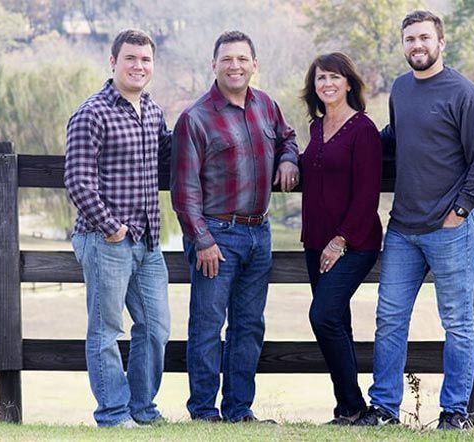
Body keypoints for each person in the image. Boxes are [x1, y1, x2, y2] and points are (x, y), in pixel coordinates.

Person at [354, 10, 474, 429]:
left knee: (456, 321)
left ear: (440, 42)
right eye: (410, 40)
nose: (416, 46)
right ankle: (384, 408)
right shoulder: (401, 90)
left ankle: (454, 413)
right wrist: (349, 141)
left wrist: (460, 211)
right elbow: (394, 140)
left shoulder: (465, 94)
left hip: (450, 227)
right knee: (390, 316)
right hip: (403, 228)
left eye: (424, 38)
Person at [170, 30, 299, 423]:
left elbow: (288, 137)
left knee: (249, 326)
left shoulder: (267, 106)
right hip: (217, 235)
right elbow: (184, 189)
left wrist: (289, 159)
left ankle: (240, 409)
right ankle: (204, 412)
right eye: (227, 59)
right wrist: (203, 240)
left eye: (243, 59)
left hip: (259, 233)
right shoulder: (195, 118)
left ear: (254, 65)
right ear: (214, 65)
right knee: (208, 326)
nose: (235, 66)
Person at [64, 29, 171, 428]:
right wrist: (112, 228)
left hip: (148, 240)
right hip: (104, 238)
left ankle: (142, 409)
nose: (138, 66)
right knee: (106, 329)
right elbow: (77, 180)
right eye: (130, 58)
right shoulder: (91, 112)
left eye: (145, 60)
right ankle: (112, 413)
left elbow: (170, 156)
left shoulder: (154, 112)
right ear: (113, 62)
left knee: (156, 328)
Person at [299, 52, 382, 425]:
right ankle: (347, 410)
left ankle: (352, 405)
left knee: (324, 315)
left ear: (349, 82)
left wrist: (340, 240)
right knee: (338, 322)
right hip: (314, 242)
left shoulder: (363, 129)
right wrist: (287, 161)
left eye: (334, 77)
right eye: (320, 79)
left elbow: (367, 195)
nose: (327, 84)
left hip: (355, 242)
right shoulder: (317, 128)